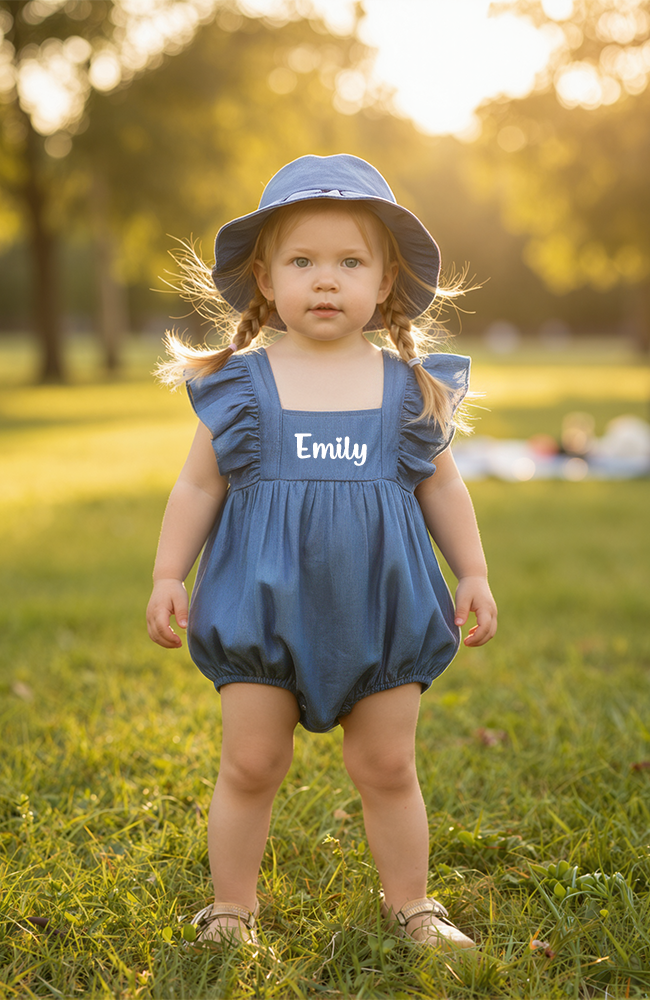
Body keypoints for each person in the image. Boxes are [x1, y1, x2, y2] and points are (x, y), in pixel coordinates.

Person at [146, 153, 497, 952]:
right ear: (266, 279)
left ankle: (412, 907)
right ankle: (232, 909)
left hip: (380, 612)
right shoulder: (243, 384)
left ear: (385, 281)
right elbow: (198, 488)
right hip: (260, 610)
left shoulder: (409, 387)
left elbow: (442, 490)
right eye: (302, 261)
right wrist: (170, 573)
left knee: (387, 767)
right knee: (251, 763)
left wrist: (472, 570)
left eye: (349, 262)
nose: (326, 280)